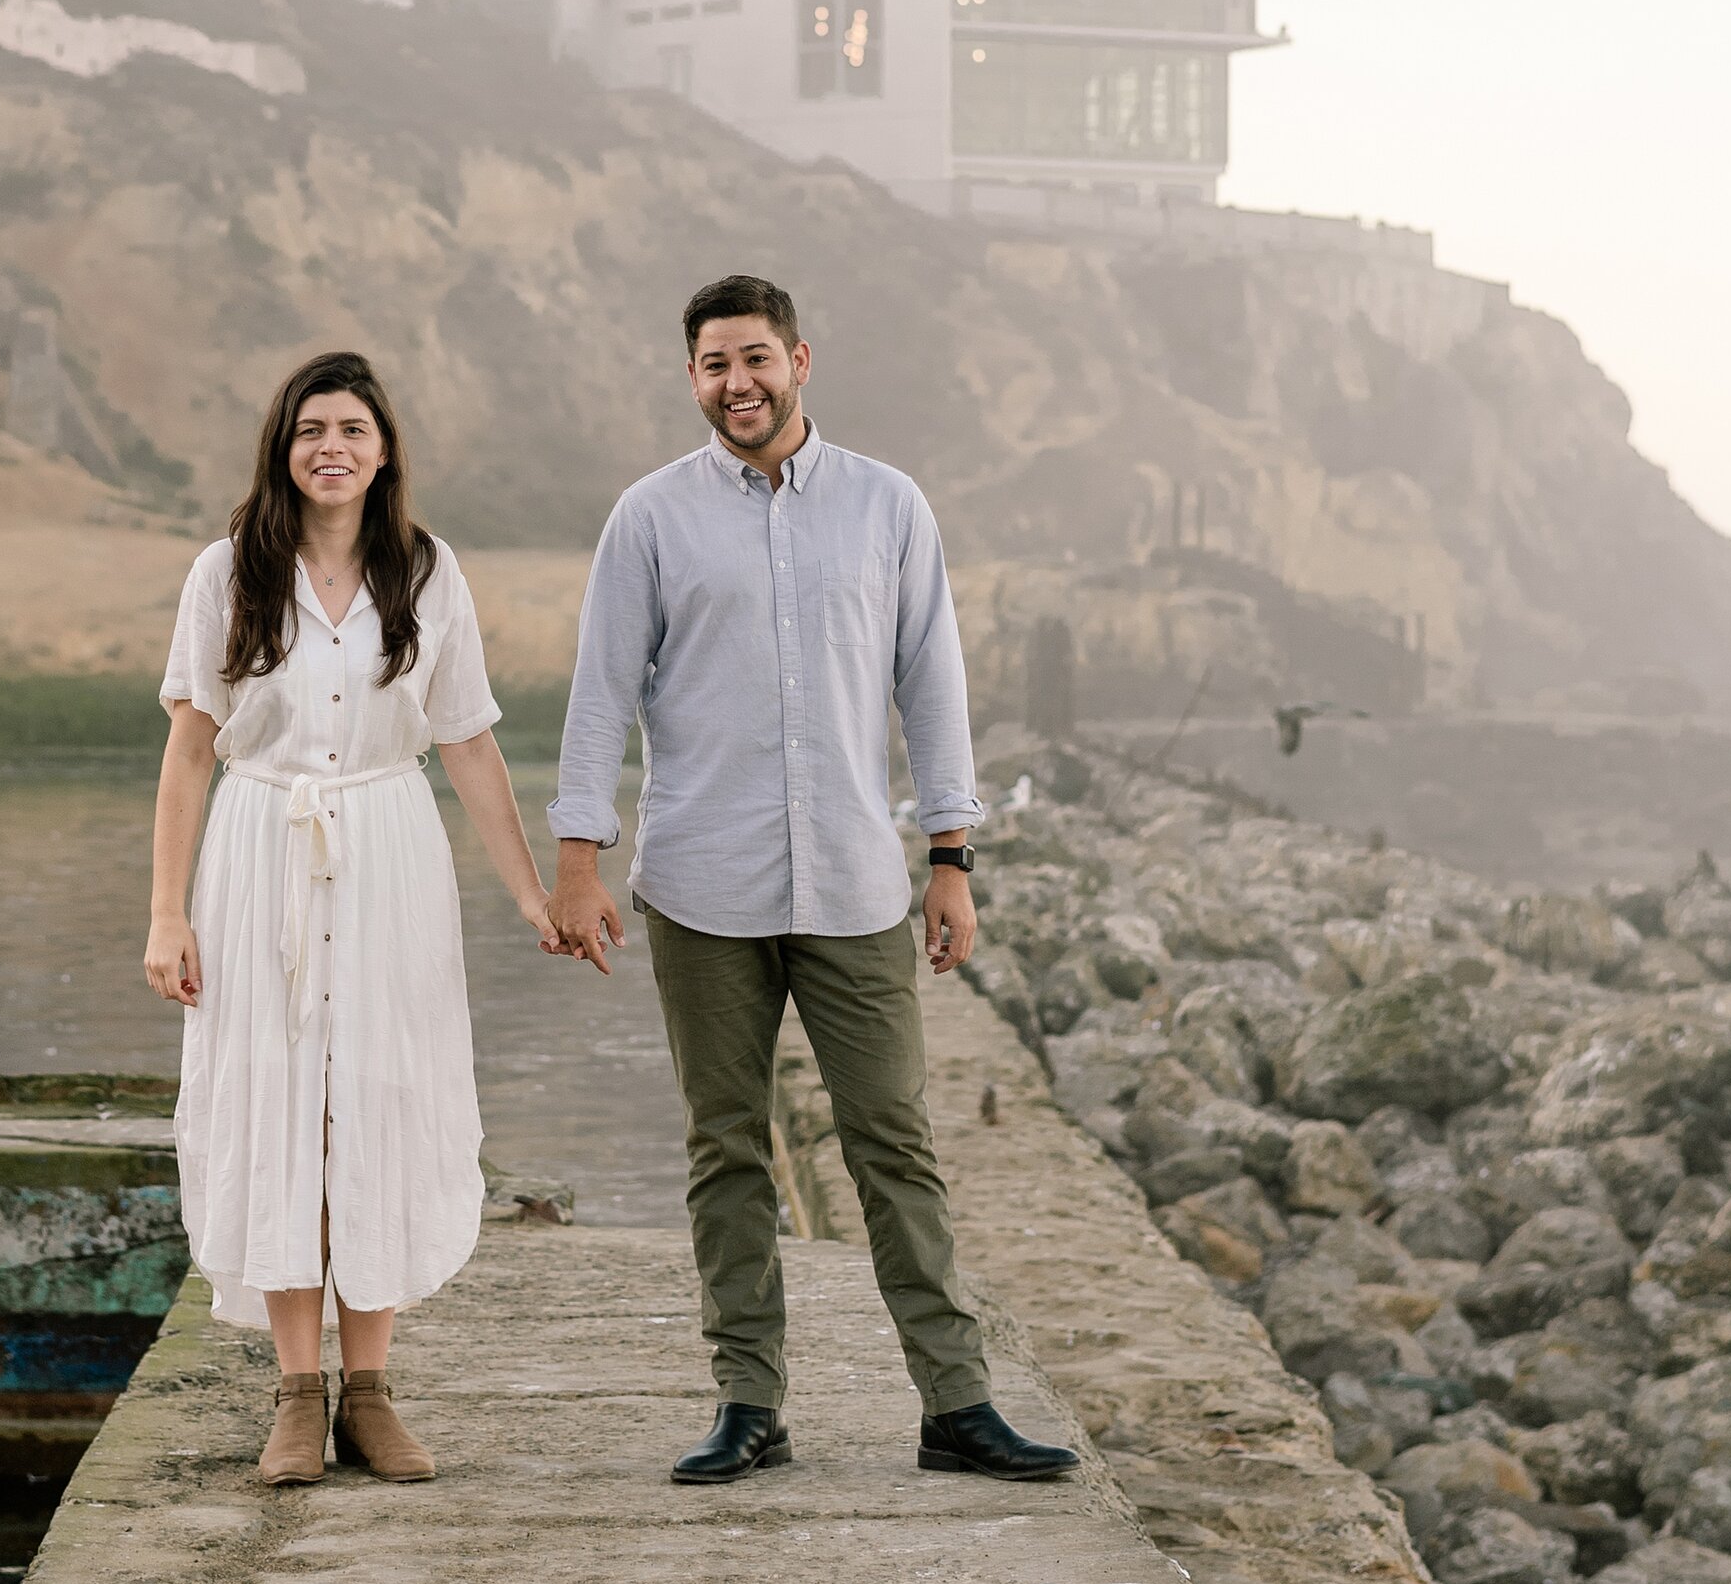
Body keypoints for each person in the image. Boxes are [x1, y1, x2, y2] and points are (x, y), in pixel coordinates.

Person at [548, 273, 1077, 1489]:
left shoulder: (889, 506)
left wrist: (951, 859)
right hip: (698, 882)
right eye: (711, 365)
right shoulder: (650, 517)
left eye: (754, 358)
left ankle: (956, 1405)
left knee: (895, 1141)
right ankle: (748, 1401)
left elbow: (931, 687)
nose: (736, 382)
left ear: (798, 357)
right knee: (723, 1146)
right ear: (692, 379)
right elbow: (598, 696)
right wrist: (580, 860)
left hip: (852, 880)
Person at [148, 348, 562, 1487]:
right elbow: (189, 753)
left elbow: (468, 740)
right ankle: (295, 1392)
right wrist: (165, 915)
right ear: (283, 449)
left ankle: (370, 1391)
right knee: (279, 1103)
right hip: (260, 851)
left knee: (375, 1098)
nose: (332, 445)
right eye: (310, 428)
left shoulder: (426, 574)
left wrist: (530, 891)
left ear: (384, 452)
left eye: (353, 429)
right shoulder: (226, 571)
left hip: (387, 853)